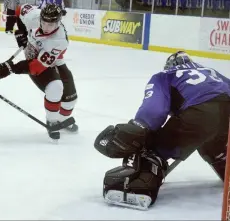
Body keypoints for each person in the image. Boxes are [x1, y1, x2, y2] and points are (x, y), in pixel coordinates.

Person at [94, 51, 230, 210]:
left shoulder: (165, 75)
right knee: (212, 144)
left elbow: (154, 111)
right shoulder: (210, 72)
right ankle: (224, 162)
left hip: (200, 114)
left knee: (153, 151)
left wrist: (138, 128)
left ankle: (138, 189)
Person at [0, 4, 78, 140]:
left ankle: (61, 120)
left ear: (59, 22)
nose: (46, 27)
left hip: (52, 60)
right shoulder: (33, 16)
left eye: (51, 24)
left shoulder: (59, 41)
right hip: (33, 55)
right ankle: (52, 121)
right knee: (55, 87)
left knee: (70, 99)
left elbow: (37, 67)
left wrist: (10, 68)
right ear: (40, 18)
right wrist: (21, 31)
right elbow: (18, 9)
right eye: (44, 23)